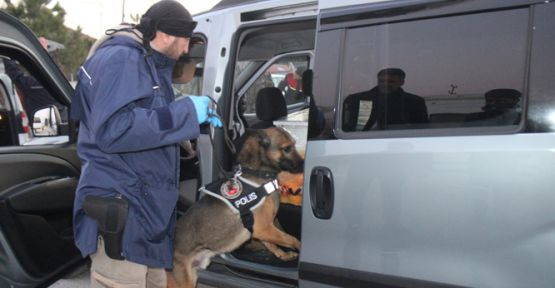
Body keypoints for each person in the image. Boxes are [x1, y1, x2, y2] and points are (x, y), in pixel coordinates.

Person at [70, 1, 222, 287]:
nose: (188, 49)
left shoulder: (148, 64)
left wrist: (191, 121)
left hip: (144, 215)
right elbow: (114, 131)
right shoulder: (121, 60)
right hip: (123, 211)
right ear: (165, 35)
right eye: (186, 40)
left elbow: (148, 121)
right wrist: (186, 112)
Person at [342, 68, 428, 131]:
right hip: (360, 142)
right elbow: (346, 128)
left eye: (391, 81)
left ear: (401, 83)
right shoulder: (356, 100)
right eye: (382, 81)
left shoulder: (415, 102)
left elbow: (422, 129)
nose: (385, 84)